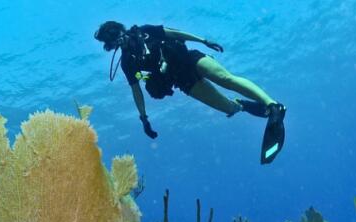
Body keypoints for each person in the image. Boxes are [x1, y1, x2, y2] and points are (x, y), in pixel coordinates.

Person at [94, 21, 286, 164]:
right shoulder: (128, 63)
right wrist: (143, 118)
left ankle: (273, 106)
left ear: (121, 29)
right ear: (111, 46)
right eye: (112, 41)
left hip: (190, 59)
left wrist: (203, 41)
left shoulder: (145, 32)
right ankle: (242, 104)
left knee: (226, 79)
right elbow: (136, 88)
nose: (120, 40)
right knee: (228, 107)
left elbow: (174, 34)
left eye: (116, 34)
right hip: (181, 81)